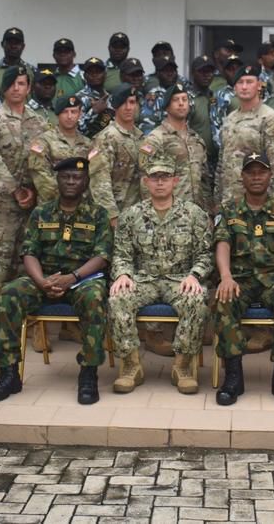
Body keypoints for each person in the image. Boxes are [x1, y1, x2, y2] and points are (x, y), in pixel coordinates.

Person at [0, 157, 112, 406]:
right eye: (66, 177)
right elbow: (29, 252)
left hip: (81, 279)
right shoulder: (41, 213)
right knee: (10, 293)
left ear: (86, 182)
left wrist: (71, 278)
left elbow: (102, 256)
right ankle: (8, 374)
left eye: (77, 178)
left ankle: (88, 373)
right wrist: (41, 281)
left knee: (95, 297)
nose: (71, 182)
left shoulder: (98, 215)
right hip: (45, 278)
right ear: (57, 180)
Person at [109, 153, 214, 395]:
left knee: (195, 300)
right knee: (118, 298)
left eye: (165, 177)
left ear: (175, 181)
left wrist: (195, 276)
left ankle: (183, 366)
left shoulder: (193, 214)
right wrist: (123, 274)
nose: (159, 182)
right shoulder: (131, 215)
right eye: (154, 177)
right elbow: (121, 254)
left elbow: (205, 254)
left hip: (179, 280)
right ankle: (130, 366)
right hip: (143, 279)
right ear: (146, 181)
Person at [213, 153, 274, 407]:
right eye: (251, 172)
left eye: (261, 172)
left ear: (270, 176)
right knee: (224, 298)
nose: (256, 177)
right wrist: (225, 277)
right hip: (239, 278)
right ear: (242, 177)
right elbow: (222, 243)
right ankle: (233, 377)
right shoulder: (229, 209)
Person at [0, 67, 45, 349]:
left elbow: (44, 158)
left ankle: (28, 321)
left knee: (27, 260)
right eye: (13, 84)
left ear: (29, 88)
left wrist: (36, 191)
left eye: (23, 84)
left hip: (31, 204)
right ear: (4, 89)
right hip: (0, 203)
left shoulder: (39, 121)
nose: (17, 88)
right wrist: (16, 190)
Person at [216, 65, 274, 207]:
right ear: (234, 88)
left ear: (259, 86)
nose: (244, 87)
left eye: (249, 82)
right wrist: (218, 202)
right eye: (240, 83)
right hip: (229, 203)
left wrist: (272, 206)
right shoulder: (230, 119)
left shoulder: (270, 119)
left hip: (256, 204)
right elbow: (222, 164)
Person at [138, 83, 210, 212]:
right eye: (176, 100)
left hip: (197, 214)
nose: (181, 104)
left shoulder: (196, 139)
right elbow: (145, 180)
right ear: (167, 107)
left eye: (184, 99)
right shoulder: (156, 139)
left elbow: (204, 180)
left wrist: (208, 212)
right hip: (169, 214)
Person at [88, 83, 143, 226]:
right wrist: (112, 217)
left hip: (139, 216)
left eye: (132, 102)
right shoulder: (107, 138)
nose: (129, 107)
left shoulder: (141, 137)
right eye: (123, 103)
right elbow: (100, 183)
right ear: (115, 106)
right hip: (117, 216)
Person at [28, 94, 93, 203]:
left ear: (80, 114)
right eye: (65, 112)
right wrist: (68, 200)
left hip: (82, 208)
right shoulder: (43, 142)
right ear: (57, 114)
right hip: (51, 209)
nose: (69, 116)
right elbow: (41, 177)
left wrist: (81, 200)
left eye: (73, 112)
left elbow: (93, 177)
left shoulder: (88, 144)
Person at [0, 28, 36, 101]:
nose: (13, 46)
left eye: (17, 43)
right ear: (2, 44)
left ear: (23, 46)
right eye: (9, 43)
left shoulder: (32, 71)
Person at [139, 54, 182, 134]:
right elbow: (147, 125)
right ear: (158, 74)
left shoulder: (183, 94)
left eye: (172, 70)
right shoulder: (153, 96)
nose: (170, 74)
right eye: (166, 71)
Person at [76, 57, 112, 138]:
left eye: (98, 72)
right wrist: (94, 111)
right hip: (87, 144)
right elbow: (76, 128)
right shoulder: (79, 98)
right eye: (90, 72)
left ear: (105, 74)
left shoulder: (110, 97)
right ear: (85, 76)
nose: (94, 75)